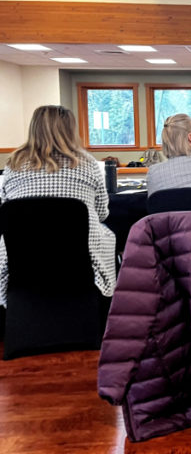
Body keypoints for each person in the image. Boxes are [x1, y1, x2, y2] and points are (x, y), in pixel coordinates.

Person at [0, 105, 116, 307]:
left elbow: (8, 211)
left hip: (24, 256)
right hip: (79, 258)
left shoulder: (13, 164)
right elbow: (101, 213)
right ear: (70, 130)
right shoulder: (87, 163)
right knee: (107, 234)